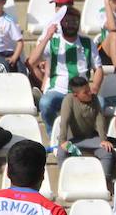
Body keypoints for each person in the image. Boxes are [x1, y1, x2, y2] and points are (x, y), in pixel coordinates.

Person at [27, 7, 103, 135]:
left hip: (82, 91)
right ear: (61, 23)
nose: (71, 25)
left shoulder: (87, 42)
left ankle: (89, 136)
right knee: (45, 103)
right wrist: (47, 37)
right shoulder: (53, 41)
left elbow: (99, 69)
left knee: (101, 102)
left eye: (74, 21)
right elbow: (32, 61)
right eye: (67, 21)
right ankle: (54, 136)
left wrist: (94, 88)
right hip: (58, 91)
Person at [56, 76, 115, 180]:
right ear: (76, 95)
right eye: (85, 92)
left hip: (91, 137)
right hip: (72, 139)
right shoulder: (69, 100)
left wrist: (103, 140)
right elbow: (64, 121)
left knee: (107, 152)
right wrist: (62, 141)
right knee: (61, 152)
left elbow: (99, 119)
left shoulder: (94, 99)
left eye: (89, 89)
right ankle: (64, 180)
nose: (89, 93)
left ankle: (105, 181)